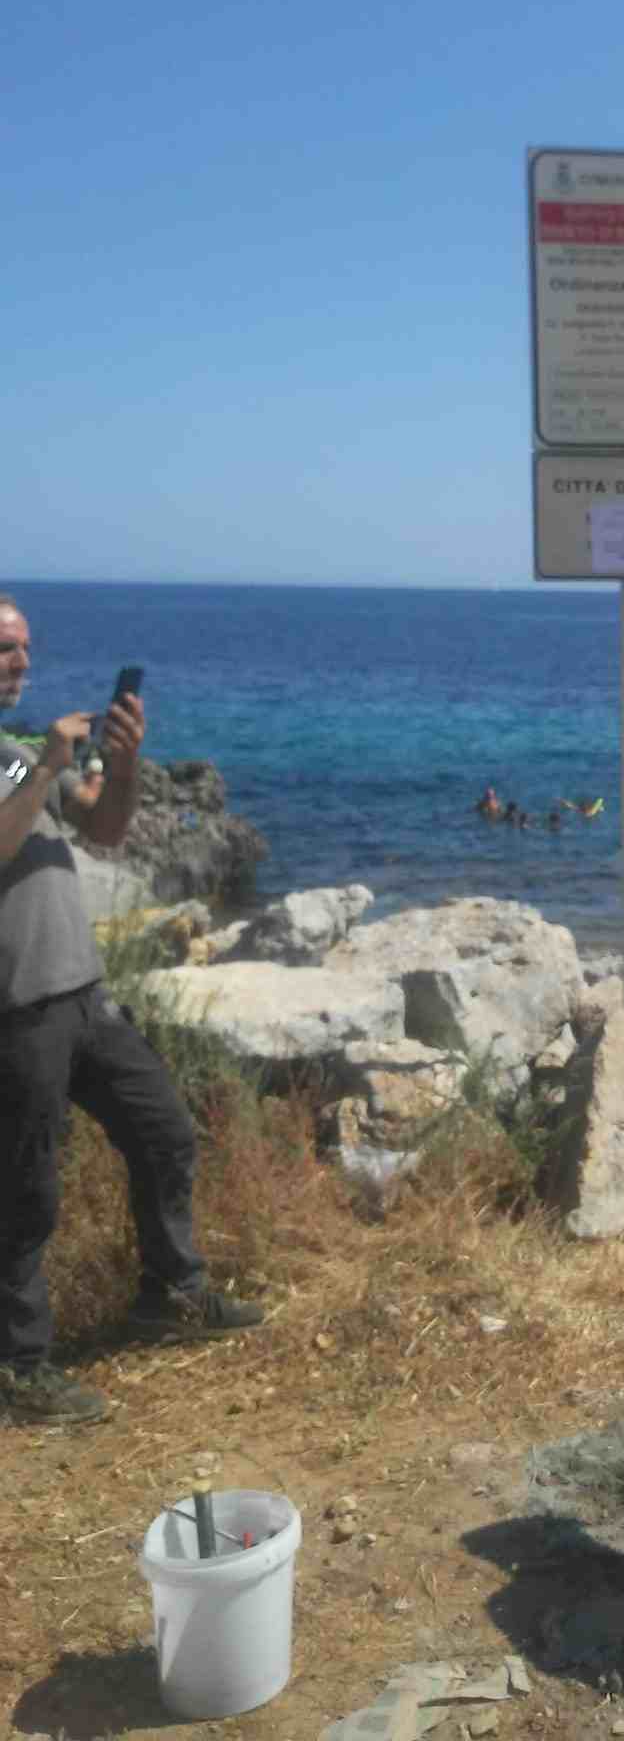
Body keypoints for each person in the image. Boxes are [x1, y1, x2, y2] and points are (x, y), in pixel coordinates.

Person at [0, 596, 264, 1426]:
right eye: (5, 649)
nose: (21, 663)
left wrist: (121, 762)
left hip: (83, 995)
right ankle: (22, 1370)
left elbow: (108, 832)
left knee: (163, 1131)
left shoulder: (9, 752)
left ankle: (171, 1295)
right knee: (23, 1191)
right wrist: (47, 765)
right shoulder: (21, 761)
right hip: (17, 1017)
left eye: (26, 649)